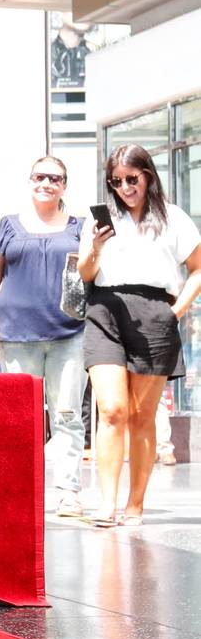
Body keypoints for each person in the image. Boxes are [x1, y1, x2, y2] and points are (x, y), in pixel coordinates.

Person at [77, 144, 201, 526]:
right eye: (116, 181)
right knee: (111, 410)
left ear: (148, 175)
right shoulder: (99, 219)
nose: (125, 187)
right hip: (104, 311)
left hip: (154, 313)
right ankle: (107, 502)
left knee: (141, 416)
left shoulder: (173, 218)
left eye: (132, 178)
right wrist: (95, 248)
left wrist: (175, 311)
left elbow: (197, 268)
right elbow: (84, 273)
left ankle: (135, 504)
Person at [0, 156, 87, 517]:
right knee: (18, 418)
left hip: (69, 334)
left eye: (54, 178)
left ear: (64, 185)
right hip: (17, 336)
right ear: (29, 181)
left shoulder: (80, 226)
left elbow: (93, 272)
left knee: (67, 414)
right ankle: (19, 489)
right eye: (39, 176)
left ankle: (68, 490)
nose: (46, 183)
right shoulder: (8, 226)